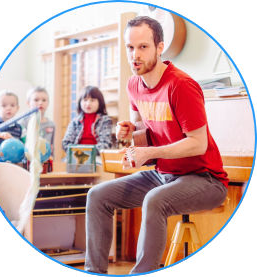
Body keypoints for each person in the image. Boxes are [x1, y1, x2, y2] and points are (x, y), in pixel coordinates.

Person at [84, 16, 229, 274]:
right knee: (97, 195)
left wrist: (148, 152)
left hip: (205, 180)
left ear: (159, 47)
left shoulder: (181, 86)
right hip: (163, 175)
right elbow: (142, 131)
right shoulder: (133, 84)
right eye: (130, 47)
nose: (135, 55)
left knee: (154, 200)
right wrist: (128, 130)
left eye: (143, 47)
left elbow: (198, 143)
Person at [0, 90, 26, 182]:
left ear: (18, 108)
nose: (8, 108)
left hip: (14, 162)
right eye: (4, 105)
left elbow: (26, 143)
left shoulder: (20, 128)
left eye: (12, 105)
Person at [62, 86, 113, 156]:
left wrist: (87, 152)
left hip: (96, 156)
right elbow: (65, 143)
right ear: (80, 102)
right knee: (65, 165)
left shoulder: (105, 121)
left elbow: (106, 144)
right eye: (85, 100)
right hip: (76, 155)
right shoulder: (75, 121)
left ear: (100, 102)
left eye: (92, 100)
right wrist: (78, 152)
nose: (88, 103)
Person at [18, 86, 55, 159]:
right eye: (36, 100)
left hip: (46, 161)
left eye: (44, 100)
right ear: (28, 103)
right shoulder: (23, 122)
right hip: (27, 161)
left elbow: (52, 146)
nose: (40, 103)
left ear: (48, 103)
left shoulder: (52, 125)